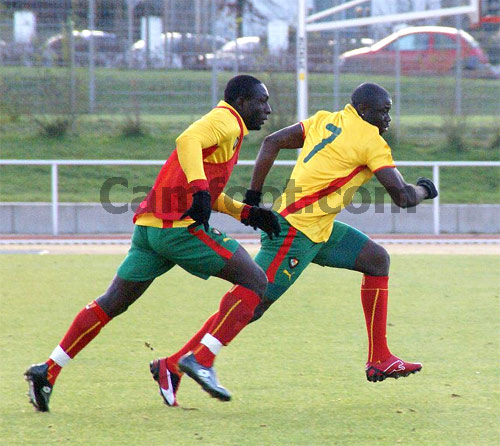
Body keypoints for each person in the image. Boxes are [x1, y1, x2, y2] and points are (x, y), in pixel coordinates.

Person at [151, 82, 438, 407]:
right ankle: (190, 361)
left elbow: (272, 142)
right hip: (295, 231)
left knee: (376, 260)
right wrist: (425, 189)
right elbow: (403, 197)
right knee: (253, 299)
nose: (388, 118)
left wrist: (254, 195)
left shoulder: (325, 120)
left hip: (318, 229)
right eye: (383, 111)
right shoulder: (371, 141)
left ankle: (380, 357)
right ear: (364, 110)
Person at [24, 74, 281, 412]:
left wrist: (246, 213)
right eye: (262, 101)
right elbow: (187, 140)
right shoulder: (226, 120)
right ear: (242, 102)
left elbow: (206, 193)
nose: (268, 109)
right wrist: (201, 191)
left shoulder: (228, 130)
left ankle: (48, 370)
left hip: (150, 228)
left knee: (112, 302)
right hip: (177, 230)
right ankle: (200, 360)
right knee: (256, 282)